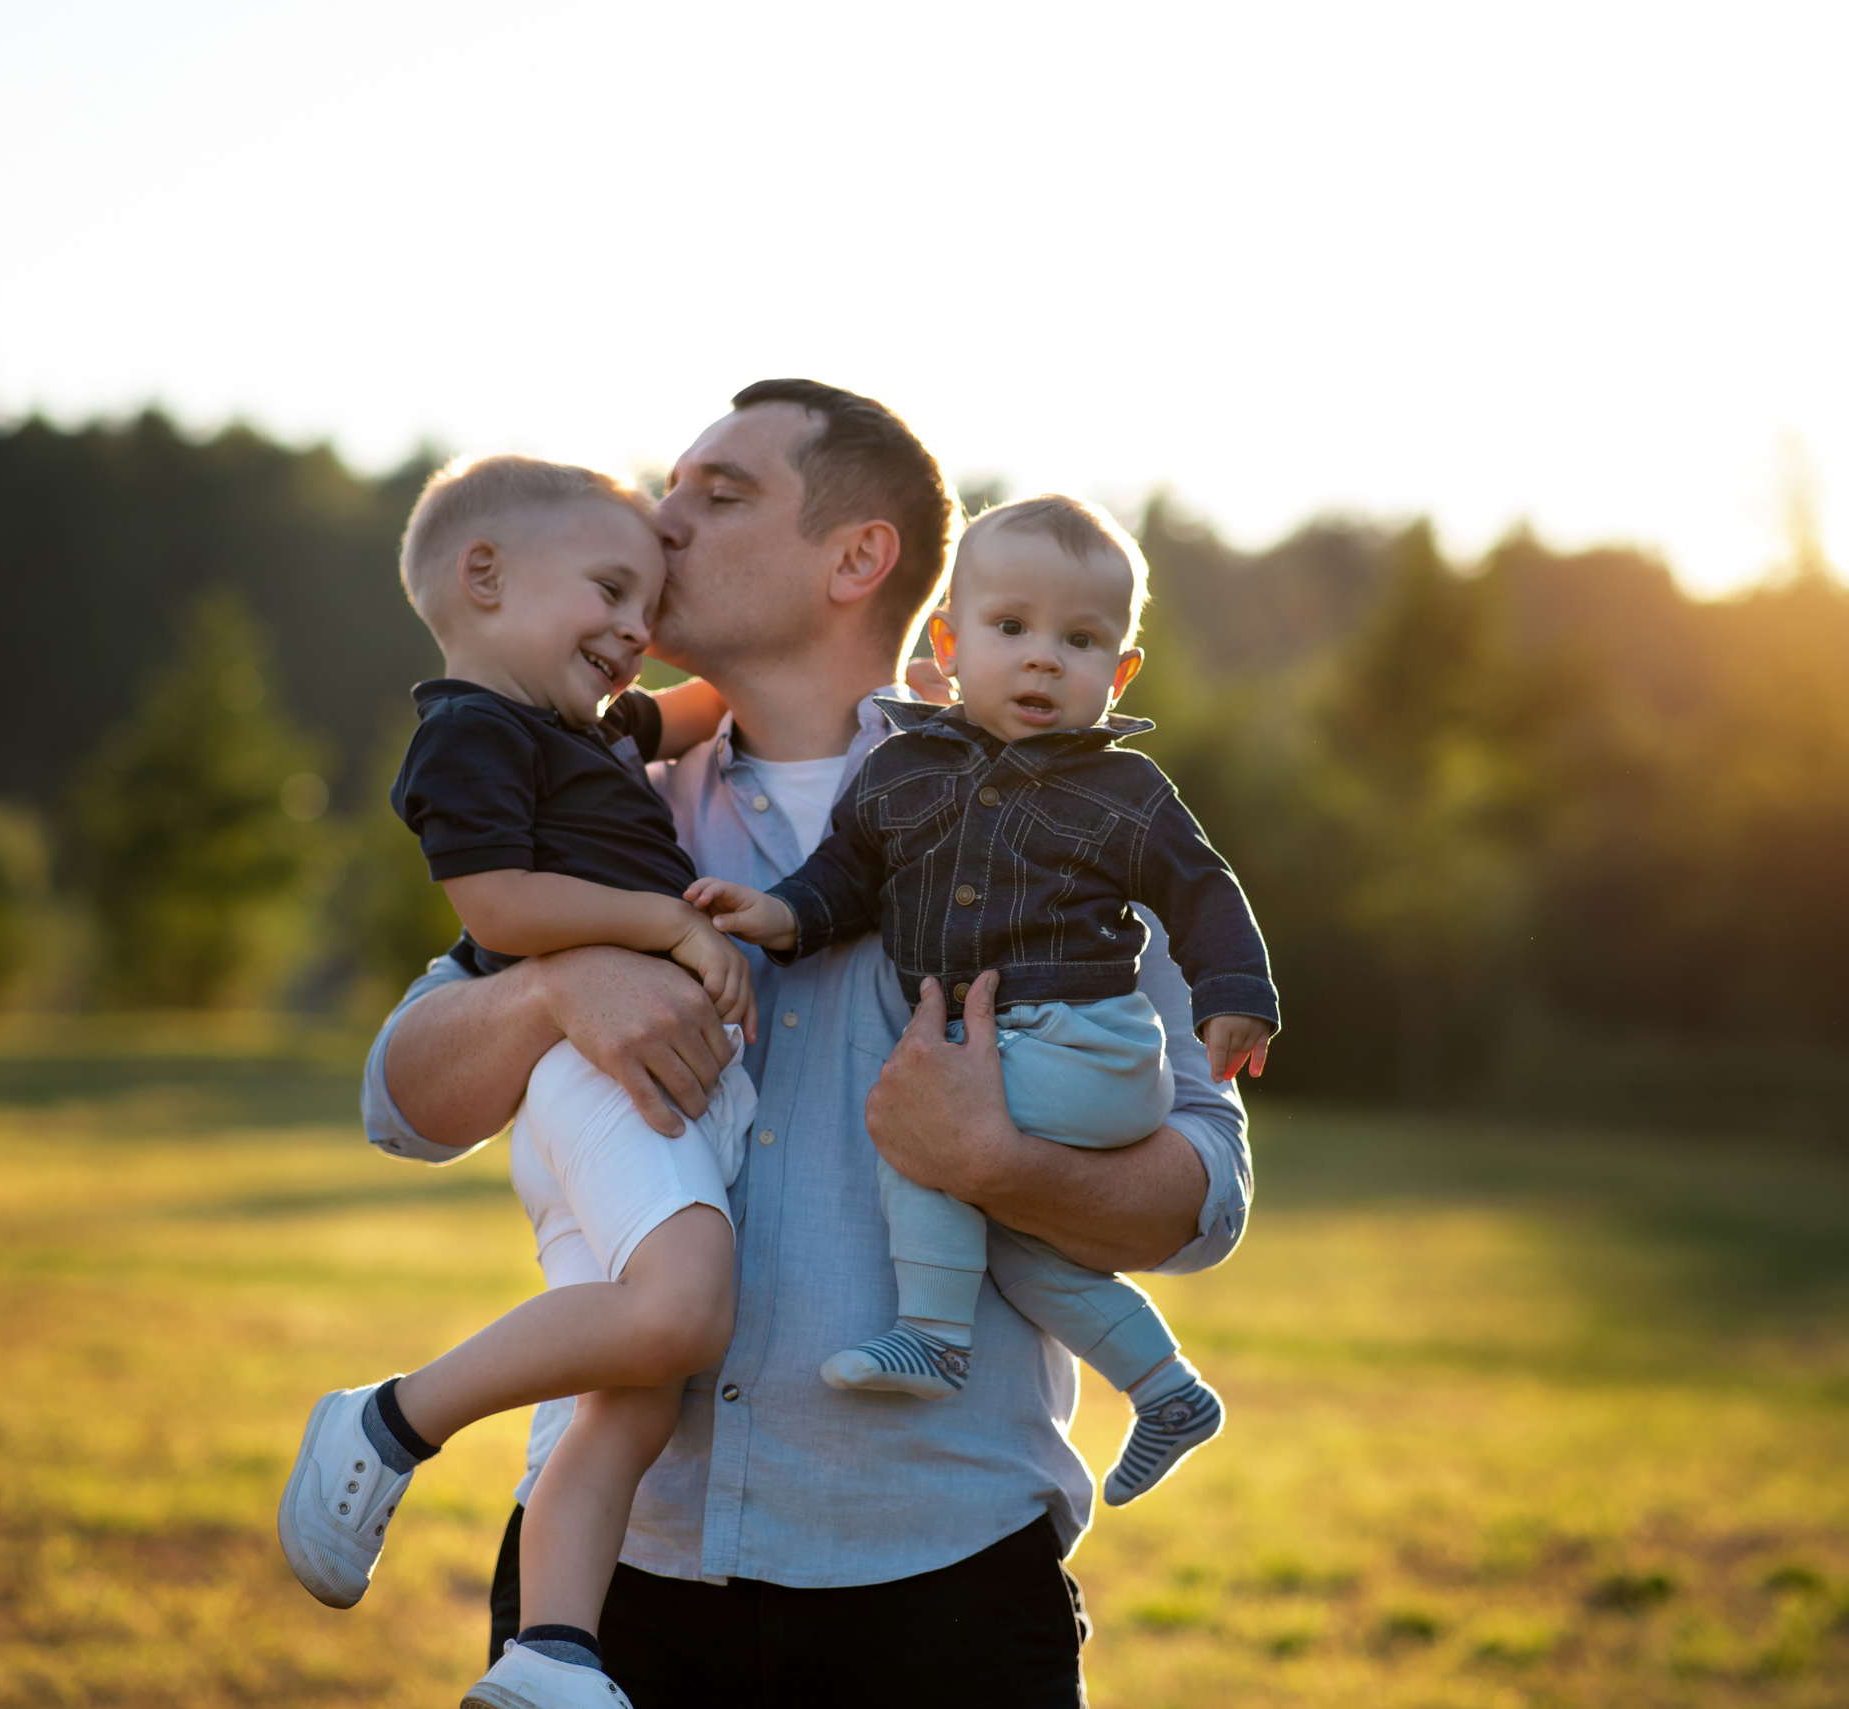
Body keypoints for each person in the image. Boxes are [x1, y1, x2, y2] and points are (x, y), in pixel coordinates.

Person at [359, 381, 1252, 1707]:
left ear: (857, 558)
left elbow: (1202, 1200)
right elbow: (403, 1101)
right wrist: (555, 991)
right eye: (672, 487)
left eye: (718, 496)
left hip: (940, 1586)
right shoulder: (604, 819)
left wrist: (995, 1160)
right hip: (606, 1592)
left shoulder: (1076, 819)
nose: (663, 520)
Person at [276, 454, 759, 1709]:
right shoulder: (470, 729)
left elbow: (708, 704)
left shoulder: (585, 726)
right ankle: (392, 1418)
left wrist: (909, 681)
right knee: (679, 1313)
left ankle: (552, 1649)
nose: (635, 631)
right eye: (609, 586)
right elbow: (497, 902)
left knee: (640, 1389)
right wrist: (663, 928)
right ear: (483, 577)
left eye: (647, 605)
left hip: (637, 1067)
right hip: (586, 1065)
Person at [687, 493, 1276, 1509]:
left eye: (1081, 639)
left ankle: (933, 1336)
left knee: (925, 1140)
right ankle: (1165, 1387)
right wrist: (778, 916)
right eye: (1011, 629)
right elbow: (846, 874)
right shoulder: (903, 768)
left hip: (1079, 1044)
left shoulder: (1123, 791)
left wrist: (1237, 997)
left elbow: (1202, 887)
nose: (1044, 659)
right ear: (952, 643)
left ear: (1120, 671)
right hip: (1007, 1053)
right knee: (1016, 1242)